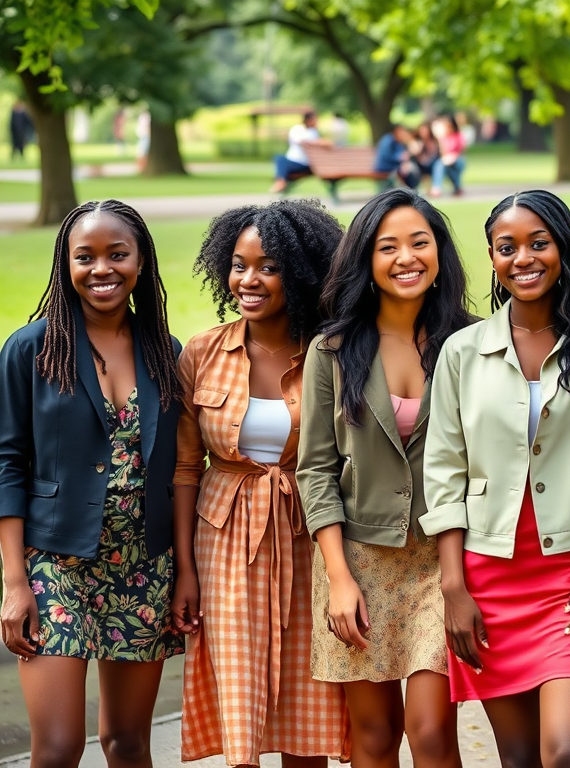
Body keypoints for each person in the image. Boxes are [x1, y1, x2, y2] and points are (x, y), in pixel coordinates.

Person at [422, 189, 570, 768]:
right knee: (520, 759)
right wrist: (454, 589)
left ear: (562, 250)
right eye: (507, 247)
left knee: (569, 751)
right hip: (488, 578)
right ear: (493, 259)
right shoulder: (461, 352)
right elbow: (444, 473)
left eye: (538, 243)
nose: (523, 258)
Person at [0, 200, 184, 768]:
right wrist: (13, 582)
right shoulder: (31, 349)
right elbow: (7, 463)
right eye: (85, 257)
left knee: (128, 744)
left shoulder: (166, 353)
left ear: (141, 263)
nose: (101, 269)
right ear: (66, 265)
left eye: (117, 254)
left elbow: (182, 470)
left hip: (143, 567)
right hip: (55, 564)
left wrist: (183, 572)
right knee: (56, 749)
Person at [296, 188, 472, 768]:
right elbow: (316, 470)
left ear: (439, 253)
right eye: (387, 246)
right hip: (359, 562)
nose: (406, 257)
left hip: (442, 563)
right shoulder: (333, 349)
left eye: (420, 242)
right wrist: (339, 578)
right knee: (373, 739)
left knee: (430, 732)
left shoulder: (470, 345)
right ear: (366, 260)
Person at [172, 200, 348, 767]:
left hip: (310, 536)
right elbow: (183, 470)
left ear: (299, 273)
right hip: (225, 544)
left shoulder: (333, 353)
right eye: (239, 264)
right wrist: (186, 571)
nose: (249, 280)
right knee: (241, 714)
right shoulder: (203, 352)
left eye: (267, 266)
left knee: (309, 711)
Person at [270, 112, 331, 194]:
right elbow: (301, 142)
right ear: (308, 120)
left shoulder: (313, 132)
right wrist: (319, 142)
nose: (317, 122)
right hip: (295, 162)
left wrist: (319, 142)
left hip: (307, 165)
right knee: (280, 159)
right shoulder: (297, 129)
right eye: (315, 120)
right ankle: (281, 181)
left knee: (280, 160)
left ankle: (281, 181)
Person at [373, 124, 421, 189]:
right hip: (385, 167)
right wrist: (399, 159)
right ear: (397, 131)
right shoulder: (387, 140)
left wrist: (404, 162)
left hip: (395, 167)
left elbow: (405, 156)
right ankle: (409, 191)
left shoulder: (399, 142)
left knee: (412, 169)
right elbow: (386, 156)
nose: (404, 134)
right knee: (409, 170)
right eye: (402, 132)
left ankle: (411, 191)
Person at [429, 115, 466, 198]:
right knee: (441, 164)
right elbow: (443, 154)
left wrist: (453, 156)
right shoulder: (443, 137)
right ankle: (438, 187)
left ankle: (457, 186)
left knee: (447, 165)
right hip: (446, 160)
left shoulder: (458, 135)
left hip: (458, 160)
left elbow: (462, 151)